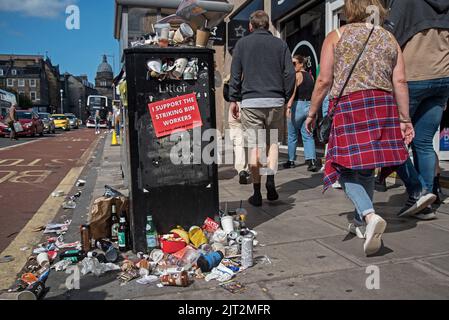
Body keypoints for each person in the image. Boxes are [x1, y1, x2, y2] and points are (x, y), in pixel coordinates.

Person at [305, 0, 414, 256]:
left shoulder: (336, 36)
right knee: (365, 167)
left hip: (350, 105)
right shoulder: (389, 38)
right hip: (382, 105)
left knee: (341, 166)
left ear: (349, 8)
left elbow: (323, 80)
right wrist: (405, 118)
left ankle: (368, 214)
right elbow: (400, 80)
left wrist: (312, 113)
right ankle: (361, 221)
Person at [379, 0, 449, 219]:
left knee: (391, 140)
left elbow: (388, 39)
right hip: (443, 77)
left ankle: (417, 191)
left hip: (412, 78)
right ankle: (425, 202)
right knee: (424, 142)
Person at [229, 10, 296, 207]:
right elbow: (290, 74)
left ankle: (257, 193)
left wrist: (234, 99)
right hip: (275, 101)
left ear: (250, 26)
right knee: (272, 144)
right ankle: (271, 183)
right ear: (267, 25)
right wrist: (284, 96)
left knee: (255, 146)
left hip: (250, 103)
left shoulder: (242, 44)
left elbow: (235, 75)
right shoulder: (280, 44)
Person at [284, 55, 318, 172]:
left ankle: (291, 160)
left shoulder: (297, 75)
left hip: (297, 106)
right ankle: (312, 161)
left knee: (292, 135)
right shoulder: (311, 76)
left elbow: (293, 92)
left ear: (301, 64)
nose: (292, 66)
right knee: (308, 134)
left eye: (294, 63)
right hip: (308, 105)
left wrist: (288, 106)